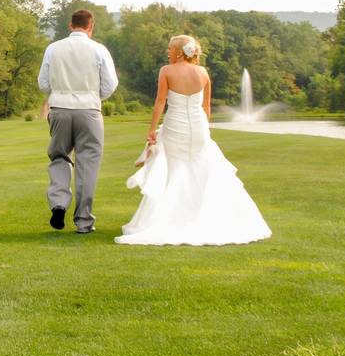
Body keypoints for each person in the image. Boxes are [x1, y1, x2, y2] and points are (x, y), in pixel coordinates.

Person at [115, 35, 272, 246]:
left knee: (174, 169)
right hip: (198, 127)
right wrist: (204, 129)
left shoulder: (167, 71)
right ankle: (208, 216)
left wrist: (152, 129)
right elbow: (206, 107)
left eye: (170, 48)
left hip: (175, 125)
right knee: (201, 168)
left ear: (180, 52)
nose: (167, 52)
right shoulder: (203, 72)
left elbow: (161, 101)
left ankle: (170, 219)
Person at [37, 9, 118, 233]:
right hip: (89, 109)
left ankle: (59, 203)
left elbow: (43, 83)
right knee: (88, 164)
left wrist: (60, 93)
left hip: (60, 108)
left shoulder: (53, 48)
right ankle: (83, 221)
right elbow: (110, 85)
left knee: (59, 157)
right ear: (91, 27)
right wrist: (92, 96)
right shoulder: (99, 50)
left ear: (71, 26)